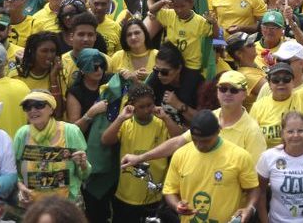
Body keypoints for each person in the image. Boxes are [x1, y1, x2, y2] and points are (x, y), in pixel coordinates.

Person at [162, 109, 259, 223]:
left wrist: (249, 208)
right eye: (195, 140)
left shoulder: (240, 156)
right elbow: (169, 191)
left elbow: (253, 189)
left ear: (218, 131)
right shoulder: (180, 155)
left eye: (206, 141)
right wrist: (176, 205)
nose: (200, 145)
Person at [102, 83, 181, 222]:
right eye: (141, 107)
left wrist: (166, 118)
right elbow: (106, 140)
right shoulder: (126, 123)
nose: (146, 110)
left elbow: (178, 140)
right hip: (127, 194)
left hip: (155, 194)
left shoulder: (161, 122)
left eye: (149, 105)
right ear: (132, 105)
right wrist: (120, 118)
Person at [13, 90, 90, 208]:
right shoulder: (22, 134)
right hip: (32, 205)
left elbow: (84, 174)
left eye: (39, 105)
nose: (33, 110)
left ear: (51, 109)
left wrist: (83, 164)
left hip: (66, 204)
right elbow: (13, 169)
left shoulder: (71, 131)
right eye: (27, 107)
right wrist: (20, 186)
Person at [254, 110, 303, 223]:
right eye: (290, 131)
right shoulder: (268, 157)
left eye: (300, 131)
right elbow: (260, 192)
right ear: (282, 133)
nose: (295, 135)